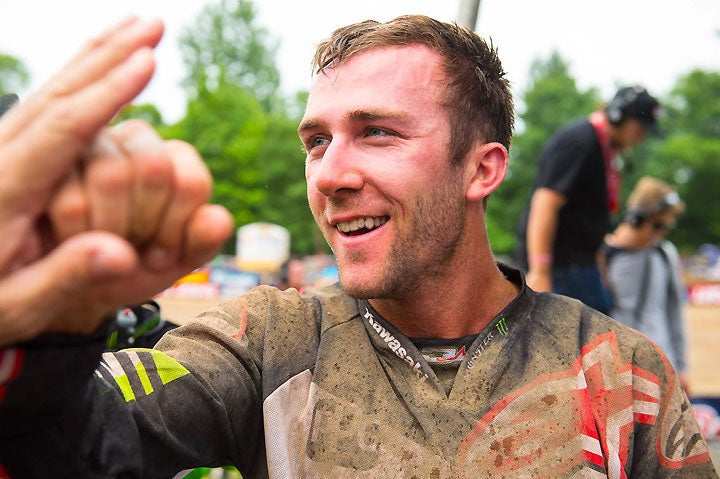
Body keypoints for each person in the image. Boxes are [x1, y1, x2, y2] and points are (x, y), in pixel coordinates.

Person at [0, 14, 716, 479]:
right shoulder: (268, 341)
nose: (332, 175)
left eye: (377, 131)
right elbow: (86, 443)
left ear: (483, 167)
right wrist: (44, 338)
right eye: (317, 140)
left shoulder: (625, 372)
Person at [515, 85, 662, 314]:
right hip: (562, 269)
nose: (641, 137)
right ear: (618, 115)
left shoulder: (603, 149)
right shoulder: (580, 142)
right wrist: (541, 271)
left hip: (580, 267)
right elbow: (545, 203)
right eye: (640, 128)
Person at [600, 177, 691, 394]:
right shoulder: (603, 255)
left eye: (667, 227)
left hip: (659, 360)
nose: (660, 234)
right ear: (635, 219)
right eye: (658, 225)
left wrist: (681, 366)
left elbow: (674, 311)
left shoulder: (664, 253)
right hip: (616, 364)